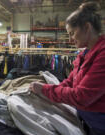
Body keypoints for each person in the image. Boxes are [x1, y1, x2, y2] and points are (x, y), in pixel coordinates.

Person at [29, 2, 105, 135]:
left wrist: (45, 89)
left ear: (87, 27)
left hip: (100, 123)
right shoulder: (84, 54)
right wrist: (48, 88)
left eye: (72, 33)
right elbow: (70, 82)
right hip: (86, 119)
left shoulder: (102, 54)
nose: (70, 39)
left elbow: (82, 96)